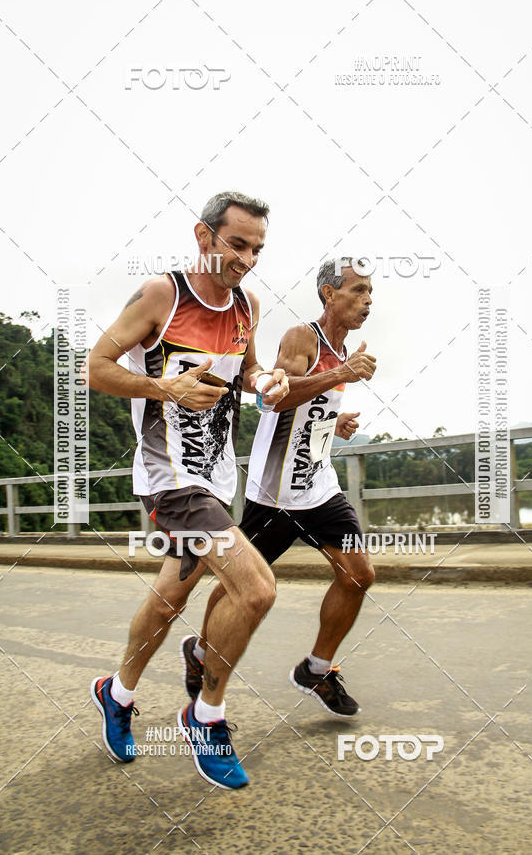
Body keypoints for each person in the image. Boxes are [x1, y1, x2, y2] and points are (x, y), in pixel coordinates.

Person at [87, 191, 289, 789]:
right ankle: (205, 716)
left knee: (171, 598)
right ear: (204, 237)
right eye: (237, 244)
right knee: (255, 589)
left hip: (217, 478)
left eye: (256, 249)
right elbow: (95, 367)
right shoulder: (161, 296)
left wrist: (267, 381)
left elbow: (246, 373)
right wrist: (166, 390)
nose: (248, 259)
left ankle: (116, 693)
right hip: (170, 480)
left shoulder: (247, 304)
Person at [180, 258, 376, 717]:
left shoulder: (347, 352)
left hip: (319, 488)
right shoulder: (301, 337)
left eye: (371, 294)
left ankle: (316, 669)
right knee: (237, 585)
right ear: (329, 294)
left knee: (359, 574)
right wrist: (340, 376)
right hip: (276, 496)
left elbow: (310, 413)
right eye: (359, 291)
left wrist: (336, 422)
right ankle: (203, 651)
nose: (368, 301)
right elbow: (278, 397)